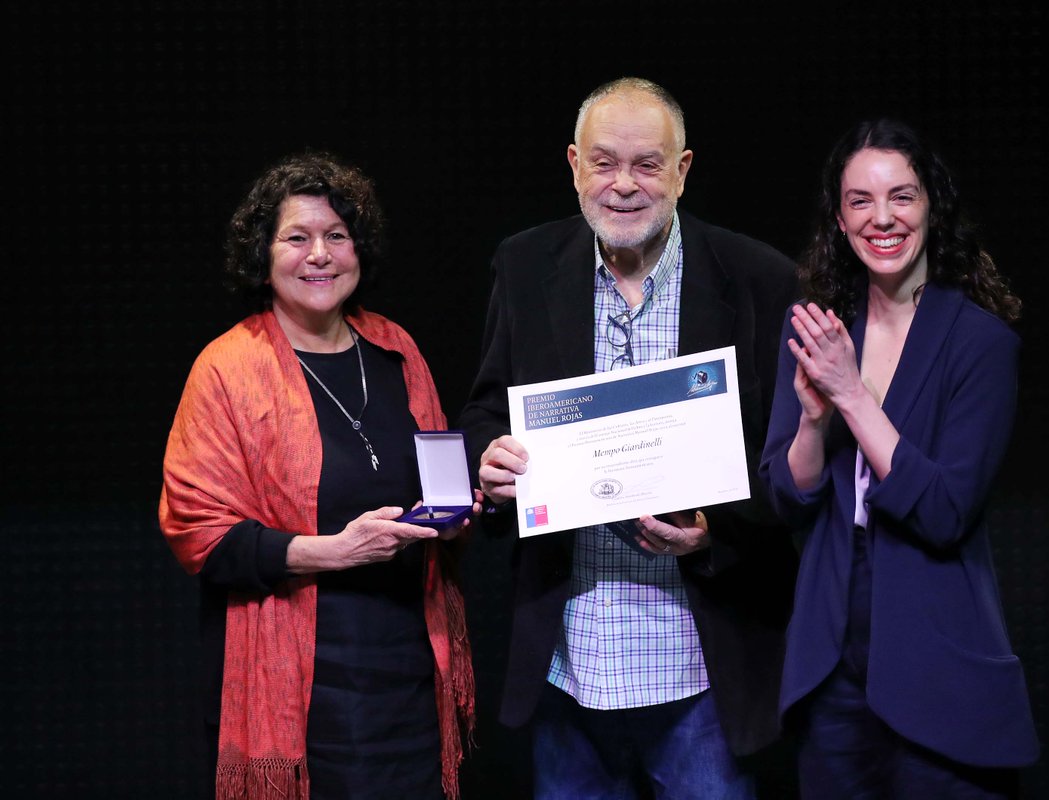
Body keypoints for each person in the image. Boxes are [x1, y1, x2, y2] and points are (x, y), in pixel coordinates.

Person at [458, 77, 799, 798]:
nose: (623, 185)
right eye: (605, 162)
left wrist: (716, 533)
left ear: (683, 171)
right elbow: (487, 413)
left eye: (648, 164)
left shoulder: (758, 278)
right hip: (570, 659)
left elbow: (791, 461)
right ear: (575, 165)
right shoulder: (523, 266)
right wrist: (488, 462)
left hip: (701, 661)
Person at [159, 153, 477, 800]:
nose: (320, 255)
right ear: (262, 254)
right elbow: (200, 536)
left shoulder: (396, 349)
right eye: (297, 238)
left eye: (337, 235)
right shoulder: (227, 369)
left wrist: (459, 510)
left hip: (411, 673)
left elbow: (440, 477)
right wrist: (334, 552)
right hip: (307, 690)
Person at [759, 118, 1039, 798]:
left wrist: (851, 393)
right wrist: (813, 425)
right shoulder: (819, 328)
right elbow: (782, 497)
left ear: (931, 208)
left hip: (936, 651)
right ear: (840, 218)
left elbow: (944, 510)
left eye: (901, 197)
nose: (882, 218)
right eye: (861, 200)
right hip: (831, 653)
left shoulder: (980, 343)